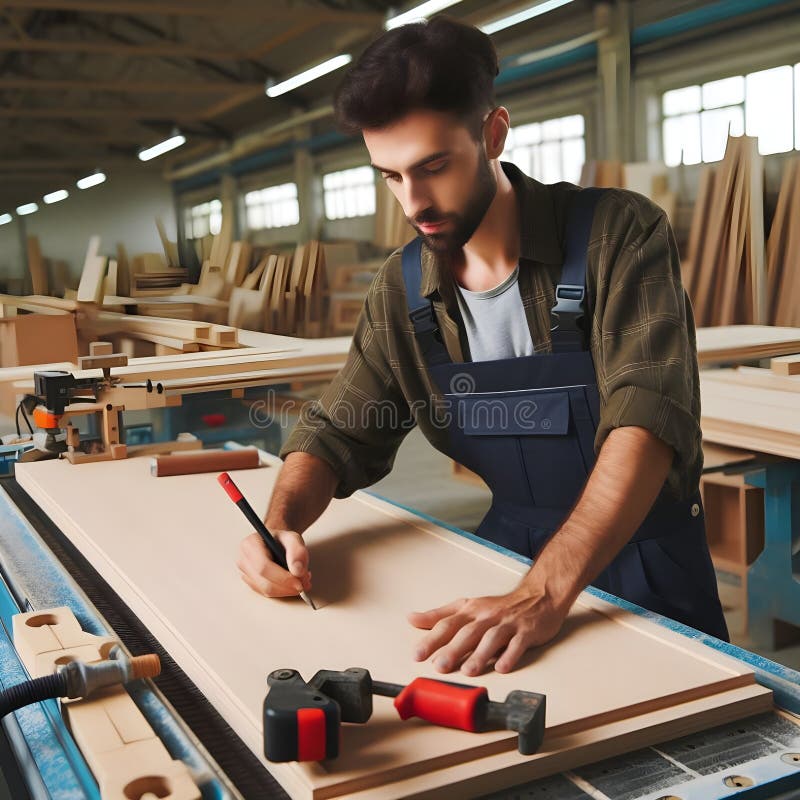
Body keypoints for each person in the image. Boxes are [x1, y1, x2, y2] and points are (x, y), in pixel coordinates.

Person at [237, 15, 728, 676]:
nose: (414, 201)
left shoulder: (617, 233)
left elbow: (645, 419)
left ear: (492, 133)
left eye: (433, 167)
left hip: (648, 570)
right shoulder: (400, 289)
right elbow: (334, 436)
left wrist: (545, 591)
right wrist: (281, 526)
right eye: (389, 176)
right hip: (503, 563)